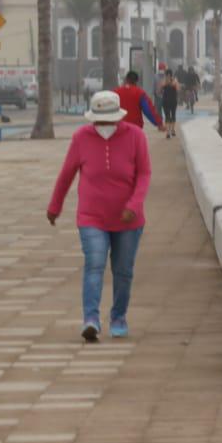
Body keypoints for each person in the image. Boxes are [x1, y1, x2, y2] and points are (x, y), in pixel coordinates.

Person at [47, 90, 152, 342]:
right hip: (91, 217)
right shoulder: (81, 137)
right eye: (99, 121)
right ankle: (91, 319)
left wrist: (134, 204)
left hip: (128, 219)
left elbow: (144, 174)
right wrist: (55, 206)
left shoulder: (135, 136)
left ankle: (118, 317)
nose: (104, 126)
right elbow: (67, 174)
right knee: (94, 265)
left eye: (109, 121)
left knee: (123, 270)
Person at [158, 70, 180, 138]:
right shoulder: (175, 81)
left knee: (168, 116)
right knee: (172, 115)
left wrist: (165, 85)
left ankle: (168, 132)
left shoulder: (163, 81)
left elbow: (159, 91)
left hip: (166, 101)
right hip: (173, 101)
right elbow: (178, 89)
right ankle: (171, 130)